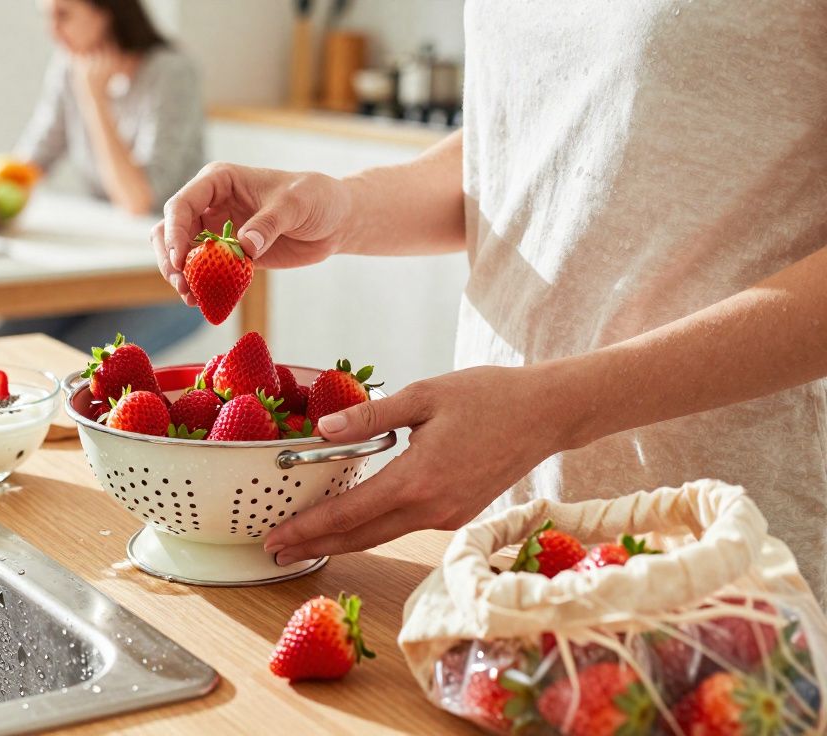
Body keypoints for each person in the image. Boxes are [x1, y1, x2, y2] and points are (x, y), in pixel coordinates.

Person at [153, 5, 827, 596]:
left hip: (718, 544)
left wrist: (553, 409)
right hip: (502, 532)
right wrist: (346, 209)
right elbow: (524, 146)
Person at [0, 0, 203, 356]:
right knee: (0, 351)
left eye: (63, 15)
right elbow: (30, 162)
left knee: (75, 368)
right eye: (47, 17)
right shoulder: (68, 66)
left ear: (106, 12)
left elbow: (138, 200)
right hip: (98, 268)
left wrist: (94, 99)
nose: (52, 31)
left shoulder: (170, 72)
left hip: (167, 276)